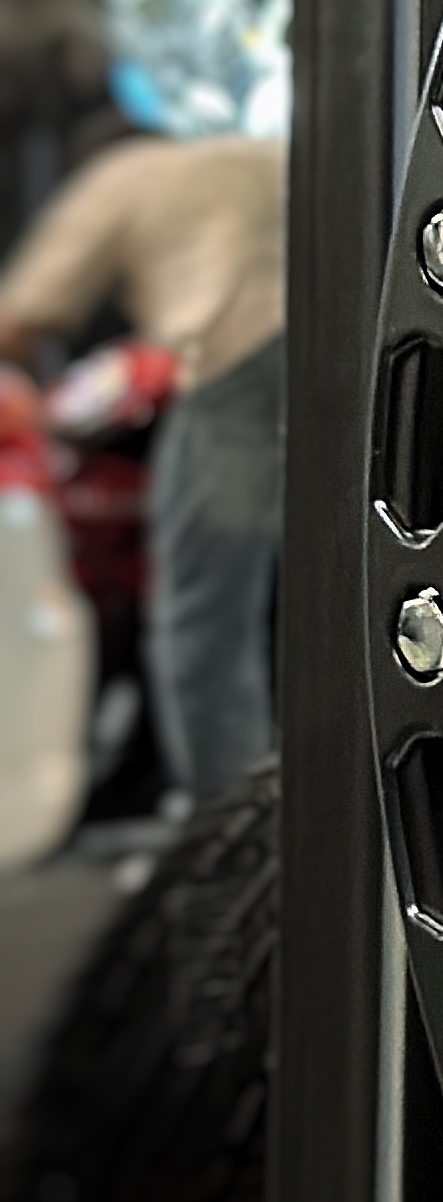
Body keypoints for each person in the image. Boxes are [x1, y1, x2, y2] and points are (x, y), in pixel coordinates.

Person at [0, 127, 286, 805]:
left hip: (234, 370)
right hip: (346, 365)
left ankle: (233, 830)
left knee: (204, 624)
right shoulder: (261, 154)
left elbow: (21, 316)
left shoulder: (125, 174)